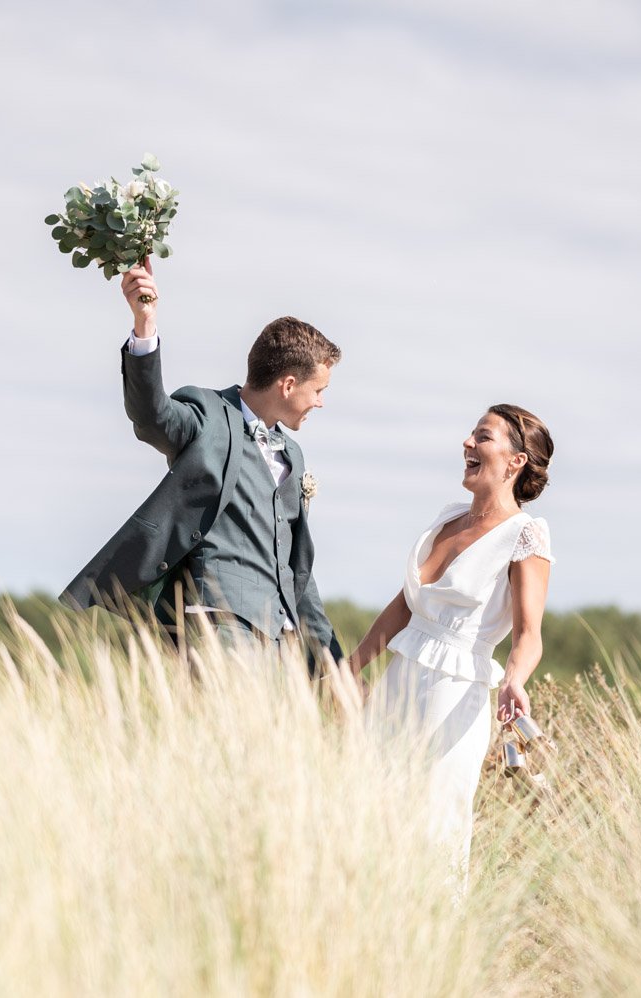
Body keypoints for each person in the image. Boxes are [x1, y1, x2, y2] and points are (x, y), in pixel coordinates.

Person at [59, 260, 346, 669]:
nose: (320, 401)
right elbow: (152, 415)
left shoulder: (293, 456)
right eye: (319, 390)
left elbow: (298, 570)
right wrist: (145, 324)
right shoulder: (207, 413)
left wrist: (331, 666)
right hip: (218, 628)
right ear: (288, 384)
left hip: (280, 644)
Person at [347, 404, 554, 885]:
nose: (466, 443)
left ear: (515, 461)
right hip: (399, 677)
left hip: (455, 689)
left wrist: (515, 681)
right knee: (374, 809)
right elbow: (405, 606)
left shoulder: (526, 535)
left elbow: (528, 635)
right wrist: (351, 667)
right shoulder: (447, 518)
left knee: (432, 821)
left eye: (482, 437)